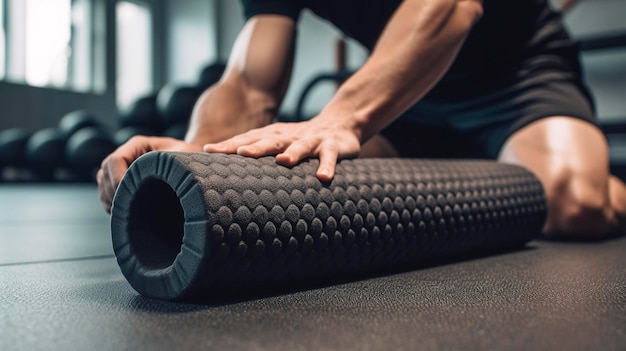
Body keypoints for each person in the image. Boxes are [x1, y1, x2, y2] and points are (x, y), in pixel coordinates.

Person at [97, 0, 626, 240]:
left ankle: (604, 181)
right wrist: (201, 154)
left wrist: (343, 118)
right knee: (292, 166)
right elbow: (250, 81)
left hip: (515, 74)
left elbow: (452, 7)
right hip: (406, 93)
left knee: (574, 206)